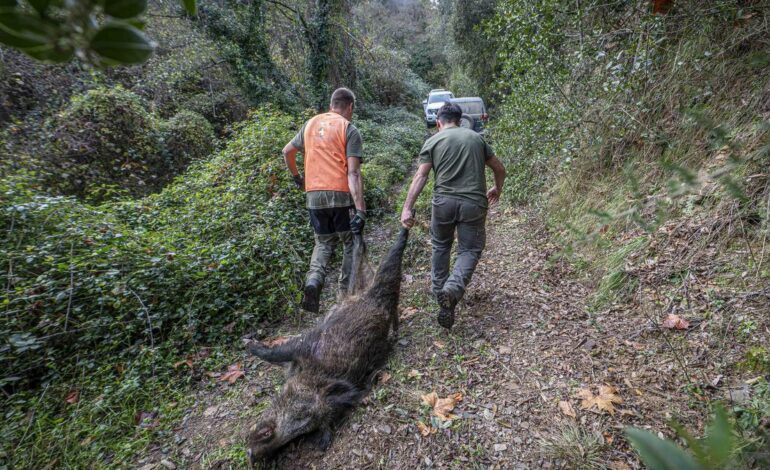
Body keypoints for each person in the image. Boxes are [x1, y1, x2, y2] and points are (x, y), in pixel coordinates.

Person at [400, 102, 506, 329]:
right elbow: (499, 168)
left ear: (439, 122)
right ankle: (453, 289)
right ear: (460, 120)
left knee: (440, 245)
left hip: (443, 204)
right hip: (473, 204)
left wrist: (407, 207)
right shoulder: (476, 138)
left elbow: (421, 176)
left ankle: (440, 291)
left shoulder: (433, 141)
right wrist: (497, 188)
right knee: (469, 249)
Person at [282, 87, 366, 313]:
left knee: (323, 242)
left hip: (314, 194)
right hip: (340, 193)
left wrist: (298, 178)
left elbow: (287, 152)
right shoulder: (349, 128)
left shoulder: (310, 124)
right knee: (350, 241)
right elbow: (354, 173)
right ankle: (344, 294)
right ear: (350, 107)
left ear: (331, 104)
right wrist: (360, 210)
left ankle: (314, 281)